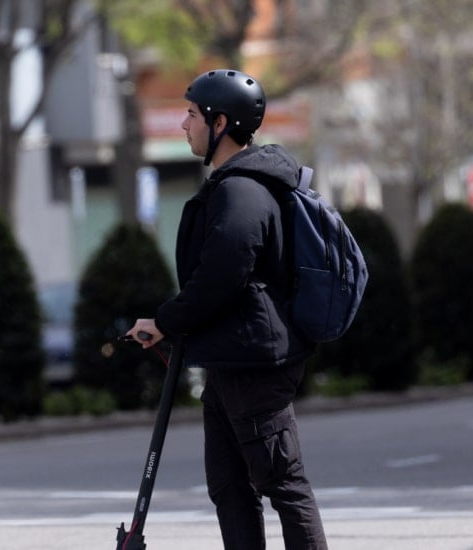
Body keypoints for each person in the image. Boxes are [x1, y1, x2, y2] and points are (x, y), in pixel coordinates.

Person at [126, 70, 327, 549]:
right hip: (229, 358)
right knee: (230, 488)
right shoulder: (236, 185)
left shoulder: (243, 192)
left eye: (192, 114)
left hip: (253, 362)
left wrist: (166, 321)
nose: (183, 124)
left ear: (220, 123)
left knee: (283, 483)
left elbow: (222, 274)